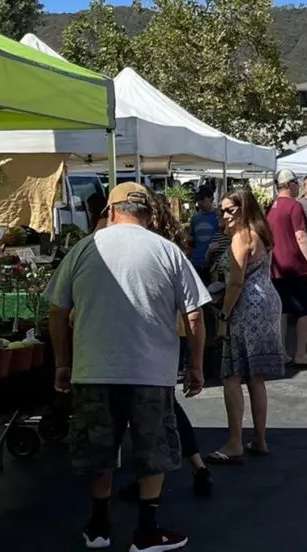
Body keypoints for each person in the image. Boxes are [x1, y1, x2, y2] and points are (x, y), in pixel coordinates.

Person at [45, 182, 210, 552]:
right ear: (149, 213)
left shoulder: (84, 248)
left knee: (99, 449)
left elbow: (56, 311)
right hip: (151, 372)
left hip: (93, 369)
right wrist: (196, 365)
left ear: (110, 210)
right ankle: (148, 531)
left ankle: (98, 526)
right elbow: (195, 316)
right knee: (153, 450)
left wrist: (62, 363)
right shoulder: (167, 251)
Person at [116, 194, 213, 501]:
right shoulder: (171, 241)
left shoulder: (146, 243)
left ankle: (156, 477)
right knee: (166, 405)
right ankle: (196, 465)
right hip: (179, 328)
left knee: (152, 413)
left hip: (157, 331)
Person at [208, 188, 285, 464]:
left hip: (246, 306)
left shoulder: (242, 236)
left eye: (231, 209)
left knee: (232, 375)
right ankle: (260, 439)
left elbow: (236, 282)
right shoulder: (261, 232)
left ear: (244, 208)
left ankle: (234, 442)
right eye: (223, 210)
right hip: (267, 301)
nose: (226, 215)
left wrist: (224, 317)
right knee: (256, 377)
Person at [268, 169, 307, 368]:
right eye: (296, 183)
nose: (298, 187)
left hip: (276, 267)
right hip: (296, 267)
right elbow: (301, 236)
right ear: (290, 185)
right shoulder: (294, 206)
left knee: (282, 311)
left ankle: (281, 352)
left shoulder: (271, 208)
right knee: (306, 309)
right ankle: (300, 353)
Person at [188, 187, 220, 284]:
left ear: (211, 198)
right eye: (198, 200)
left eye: (202, 199)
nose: (199, 203)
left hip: (213, 265)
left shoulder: (219, 216)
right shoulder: (195, 218)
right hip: (196, 263)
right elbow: (192, 239)